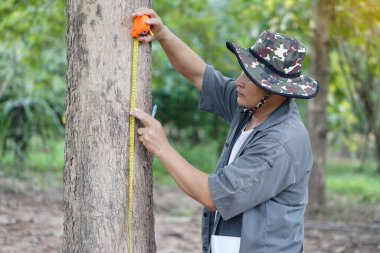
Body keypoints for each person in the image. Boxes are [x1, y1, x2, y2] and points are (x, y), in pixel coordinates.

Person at [130, 7, 319, 253]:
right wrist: (163, 34)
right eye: (243, 71)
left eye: (251, 77)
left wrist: (162, 148)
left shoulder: (280, 144)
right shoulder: (251, 107)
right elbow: (200, 75)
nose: (239, 81)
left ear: (274, 90)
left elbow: (212, 196)